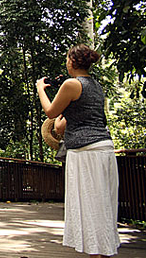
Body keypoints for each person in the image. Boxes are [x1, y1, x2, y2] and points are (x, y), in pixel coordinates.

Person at [37, 44, 119, 257]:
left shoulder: (71, 84)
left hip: (86, 153)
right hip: (104, 148)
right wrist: (64, 125)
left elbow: (50, 111)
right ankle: (102, 251)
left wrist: (40, 89)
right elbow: (91, 118)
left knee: (90, 204)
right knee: (102, 204)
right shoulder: (96, 86)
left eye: (67, 59)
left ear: (72, 62)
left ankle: (96, 253)